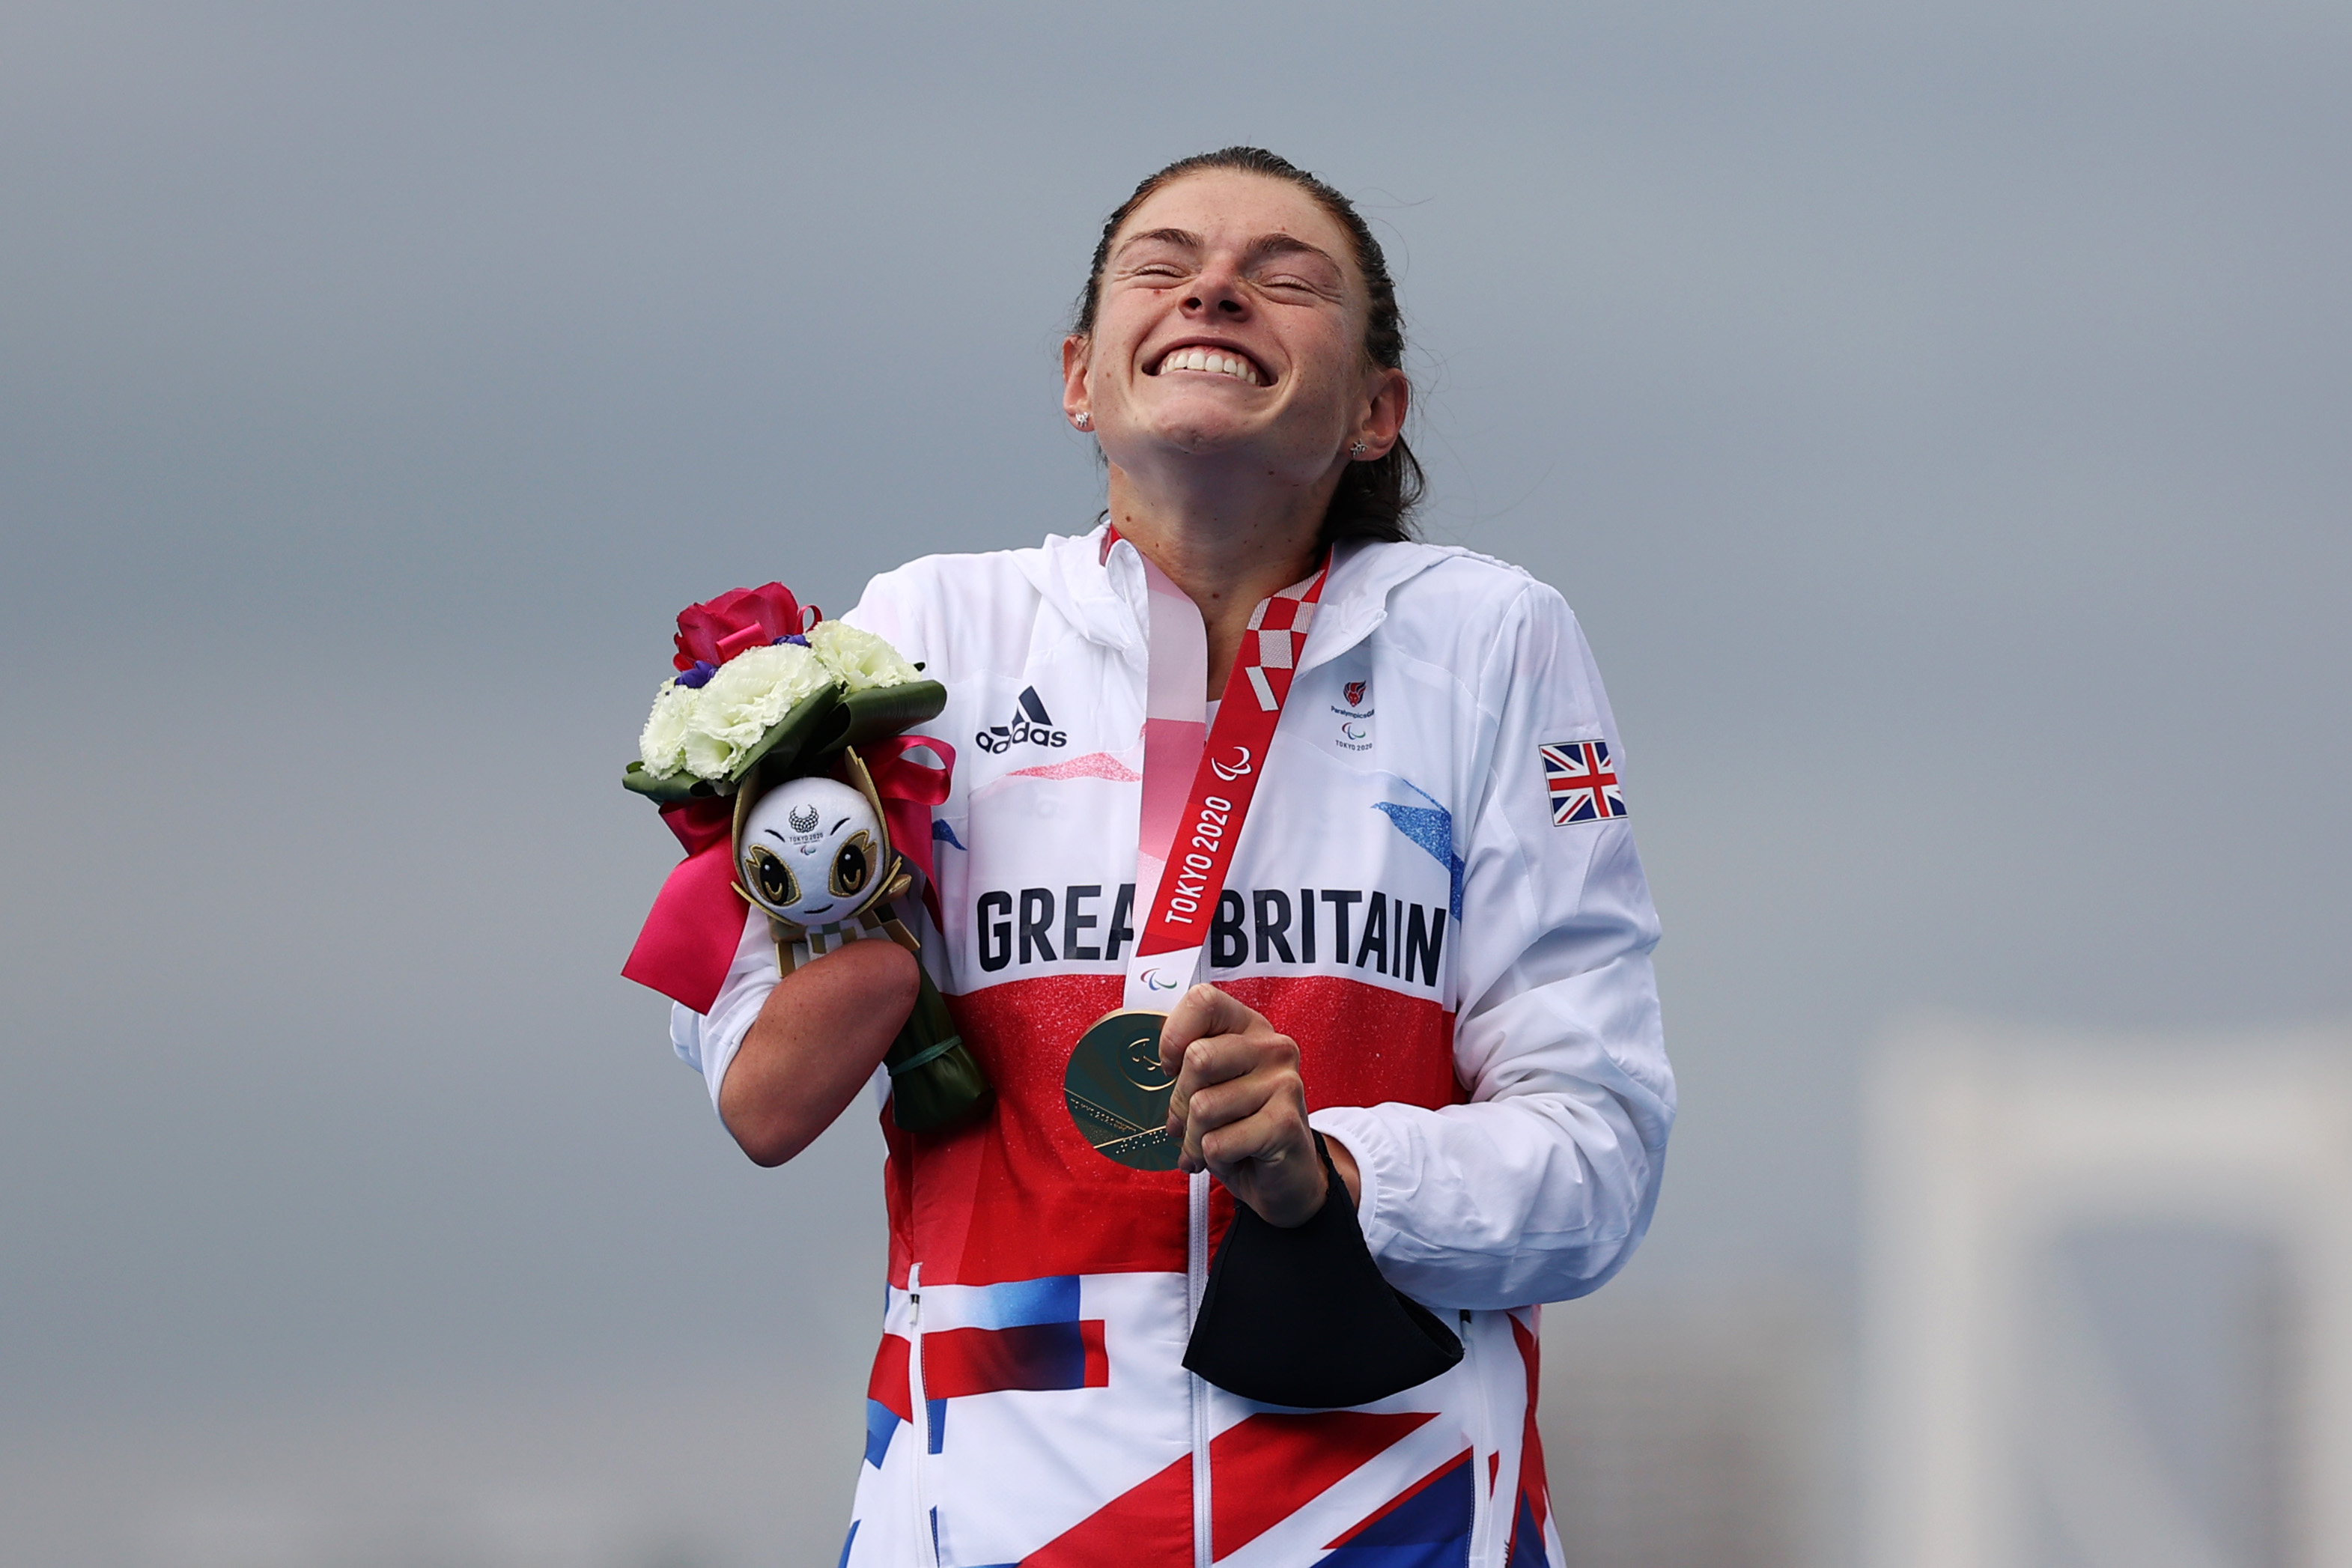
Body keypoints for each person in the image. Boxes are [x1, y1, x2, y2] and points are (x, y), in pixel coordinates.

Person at [670, 147, 1672, 1568]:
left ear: (1376, 411)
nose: (1214, 285)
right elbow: (754, 1087)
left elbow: (1597, 1160)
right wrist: (854, 921)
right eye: (1164, 263)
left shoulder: (1487, 641)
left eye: (1285, 276)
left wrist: (1331, 1165)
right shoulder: (922, 640)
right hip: (997, 1509)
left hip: (1389, 1512)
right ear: (1080, 376)